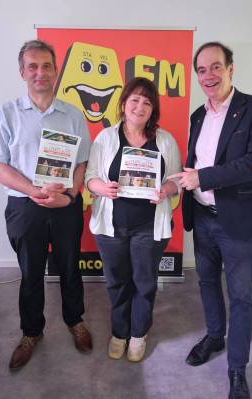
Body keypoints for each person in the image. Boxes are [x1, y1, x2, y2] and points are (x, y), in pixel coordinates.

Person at [0, 40, 93, 371]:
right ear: (22, 72)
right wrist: (33, 191)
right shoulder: (6, 113)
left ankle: (75, 320)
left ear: (56, 71)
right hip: (24, 206)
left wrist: (69, 196)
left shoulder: (73, 114)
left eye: (46, 66)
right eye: (33, 66)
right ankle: (31, 332)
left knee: (70, 266)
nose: (40, 72)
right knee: (30, 272)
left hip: (65, 204)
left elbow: (82, 163)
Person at [169, 42, 252, 399]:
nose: (208, 75)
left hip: (237, 221)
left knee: (241, 295)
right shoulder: (198, 115)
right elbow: (194, 161)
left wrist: (202, 178)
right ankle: (214, 336)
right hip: (201, 215)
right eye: (201, 70)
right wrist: (180, 181)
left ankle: (237, 369)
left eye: (216, 67)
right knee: (207, 281)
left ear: (230, 68)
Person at [85, 77, 182, 362]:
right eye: (135, 100)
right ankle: (119, 332)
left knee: (144, 282)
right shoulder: (105, 138)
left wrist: (166, 190)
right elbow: (90, 177)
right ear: (124, 103)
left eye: (147, 102)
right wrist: (102, 188)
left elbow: (176, 180)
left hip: (149, 227)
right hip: (111, 225)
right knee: (117, 282)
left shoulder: (165, 140)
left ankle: (138, 333)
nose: (140, 107)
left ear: (153, 110)